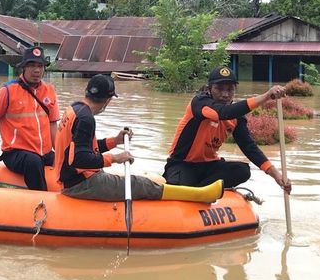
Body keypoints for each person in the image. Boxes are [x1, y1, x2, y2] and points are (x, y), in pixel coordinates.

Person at [55, 74, 223, 202]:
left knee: (141, 180)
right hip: (80, 184)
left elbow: (83, 148)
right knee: (140, 184)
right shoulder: (86, 119)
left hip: (72, 178)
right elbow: (79, 159)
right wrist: (115, 158)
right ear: (108, 100)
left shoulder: (75, 109)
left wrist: (115, 141)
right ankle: (200, 195)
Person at [163, 66, 292, 194]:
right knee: (179, 188)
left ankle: (200, 191)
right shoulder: (199, 103)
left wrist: (276, 175)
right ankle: (195, 191)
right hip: (182, 164)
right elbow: (222, 113)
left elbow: (249, 147)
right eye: (219, 89)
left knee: (242, 171)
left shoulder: (236, 118)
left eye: (230, 90)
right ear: (209, 89)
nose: (225, 94)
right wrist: (266, 96)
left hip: (210, 167)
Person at [0, 46, 60, 191]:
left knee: (69, 161)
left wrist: (60, 154)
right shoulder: (8, 90)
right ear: (23, 68)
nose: (36, 70)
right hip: (16, 153)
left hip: (44, 152)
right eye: (31, 65)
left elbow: (53, 125)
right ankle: (41, 200)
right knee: (33, 162)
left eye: (40, 66)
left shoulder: (49, 90)